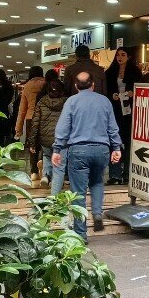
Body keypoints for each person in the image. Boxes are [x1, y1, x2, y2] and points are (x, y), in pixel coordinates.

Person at [52, 72, 121, 240]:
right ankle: (97, 213)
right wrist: (116, 147)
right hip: (101, 150)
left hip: (79, 151)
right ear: (93, 85)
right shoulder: (104, 101)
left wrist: (57, 148)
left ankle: (81, 234)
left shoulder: (71, 101)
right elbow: (112, 126)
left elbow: (62, 127)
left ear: (76, 86)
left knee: (78, 192)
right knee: (97, 182)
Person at [105, 47, 142, 185]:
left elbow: (141, 89)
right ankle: (114, 174)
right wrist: (112, 95)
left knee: (129, 142)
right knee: (114, 142)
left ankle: (128, 174)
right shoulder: (110, 72)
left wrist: (134, 92)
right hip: (115, 111)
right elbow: (106, 89)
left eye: (123, 55)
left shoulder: (135, 72)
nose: (119, 57)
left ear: (129, 57)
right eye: (118, 55)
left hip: (130, 112)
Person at [29, 76, 66, 190]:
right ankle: (56, 181)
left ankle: (45, 175)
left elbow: (35, 123)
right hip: (61, 137)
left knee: (47, 155)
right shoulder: (67, 102)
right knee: (59, 160)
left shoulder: (41, 102)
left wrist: (32, 142)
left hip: (44, 137)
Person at [15, 65, 46, 181]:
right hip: (44, 117)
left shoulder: (27, 86)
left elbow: (22, 109)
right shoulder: (46, 84)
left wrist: (18, 128)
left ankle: (33, 172)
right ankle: (42, 161)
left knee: (33, 145)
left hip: (30, 118)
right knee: (45, 143)